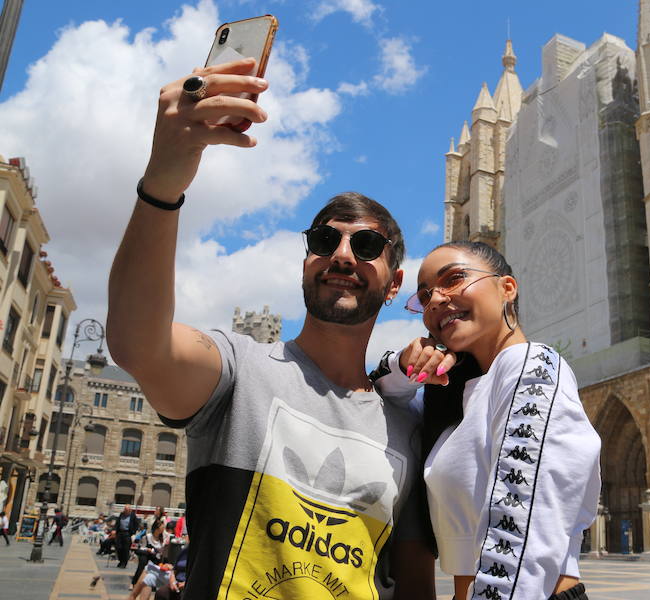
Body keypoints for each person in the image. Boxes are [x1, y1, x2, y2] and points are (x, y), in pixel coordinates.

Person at [106, 58, 435, 599]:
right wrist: (166, 177)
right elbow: (137, 344)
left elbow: (413, 583)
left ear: (395, 281)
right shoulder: (241, 372)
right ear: (307, 260)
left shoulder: (405, 426)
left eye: (367, 246)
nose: (343, 256)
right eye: (324, 242)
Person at [375, 241, 602, 600]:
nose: (435, 299)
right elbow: (379, 401)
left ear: (506, 288)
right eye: (424, 295)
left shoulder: (531, 366)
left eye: (454, 278)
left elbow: (521, 535)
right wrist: (405, 365)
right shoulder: (466, 395)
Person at [132, 519, 169, 589]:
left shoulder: (162, 538)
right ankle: (135, 582)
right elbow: (142, 547)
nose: (163, 530)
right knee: (143, 560)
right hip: (147, 555)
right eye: (161, 528)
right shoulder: (148, 537)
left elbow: (162, 550)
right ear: (156, 529)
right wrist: (148, 550)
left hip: (157, 557)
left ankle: (155, 583)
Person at [114, 504, 139, 568]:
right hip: (120, 532)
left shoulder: (133, 515)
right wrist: (114, 530)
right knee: (118, 547)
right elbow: (117, 523)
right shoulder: (121, 514)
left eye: (126, 510)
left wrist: (133, 532)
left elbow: (136, 524)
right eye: (124, 509)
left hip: (127, 533)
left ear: (130, 510)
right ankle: (120, 560)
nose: (125, 511)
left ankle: (124, 563)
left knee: (125, 549)